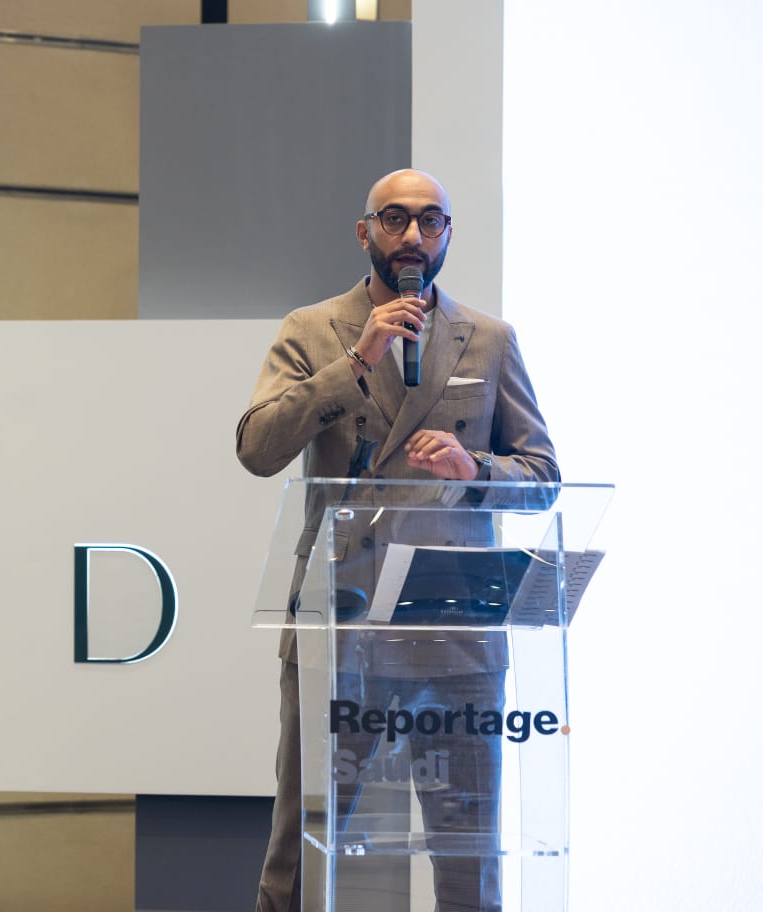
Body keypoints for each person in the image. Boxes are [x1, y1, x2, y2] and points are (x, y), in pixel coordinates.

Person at [236, 169, 559, 912]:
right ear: (365, 232)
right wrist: (357, 362)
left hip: (457, 637)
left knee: (468, 859)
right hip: (340, 628)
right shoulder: (313, 329)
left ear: (447, 234)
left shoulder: (490, 339)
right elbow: (257, 448)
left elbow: (541, 478)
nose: (413, 235)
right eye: (394, 218)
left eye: (430, 220)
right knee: (302, 850)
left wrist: (475, 467)